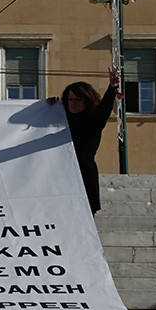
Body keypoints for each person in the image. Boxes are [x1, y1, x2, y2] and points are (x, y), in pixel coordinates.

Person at [48, 67, 120, 214]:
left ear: (87, 100)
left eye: (78, 99)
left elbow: (104, 108)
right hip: (60, 174)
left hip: (84, 175)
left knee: (84, 216)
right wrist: (48, 107)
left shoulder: (93, 121)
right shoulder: (60, 118)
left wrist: (112, 87)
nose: (73, 103)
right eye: (70, 99)